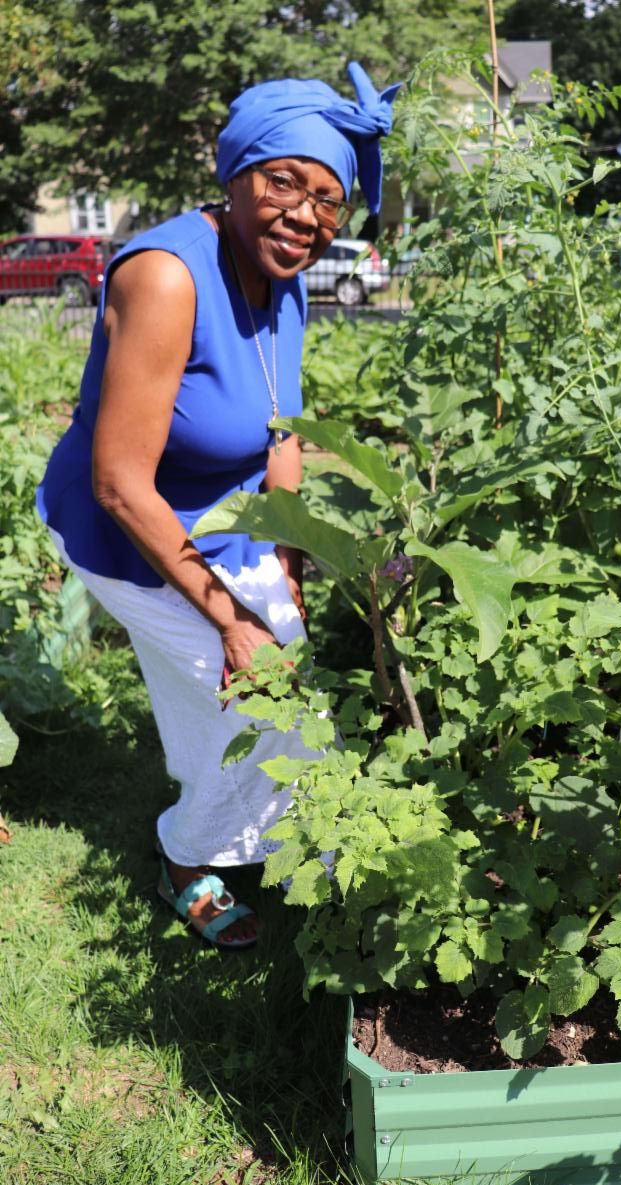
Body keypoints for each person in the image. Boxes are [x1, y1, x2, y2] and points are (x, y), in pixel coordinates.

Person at [36, 63, 400, 948]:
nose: (305, 215)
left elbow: (280, 430)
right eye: (283, 183)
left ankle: (291, 836)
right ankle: (187, 858)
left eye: (328, 200)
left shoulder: (282, 274)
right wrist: (232, 620)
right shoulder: (166, 277)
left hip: (229, 516)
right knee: (243, 692)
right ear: (236, 175)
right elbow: (120, 483)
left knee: (279, 676)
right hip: (124, 528)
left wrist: (285, 562)